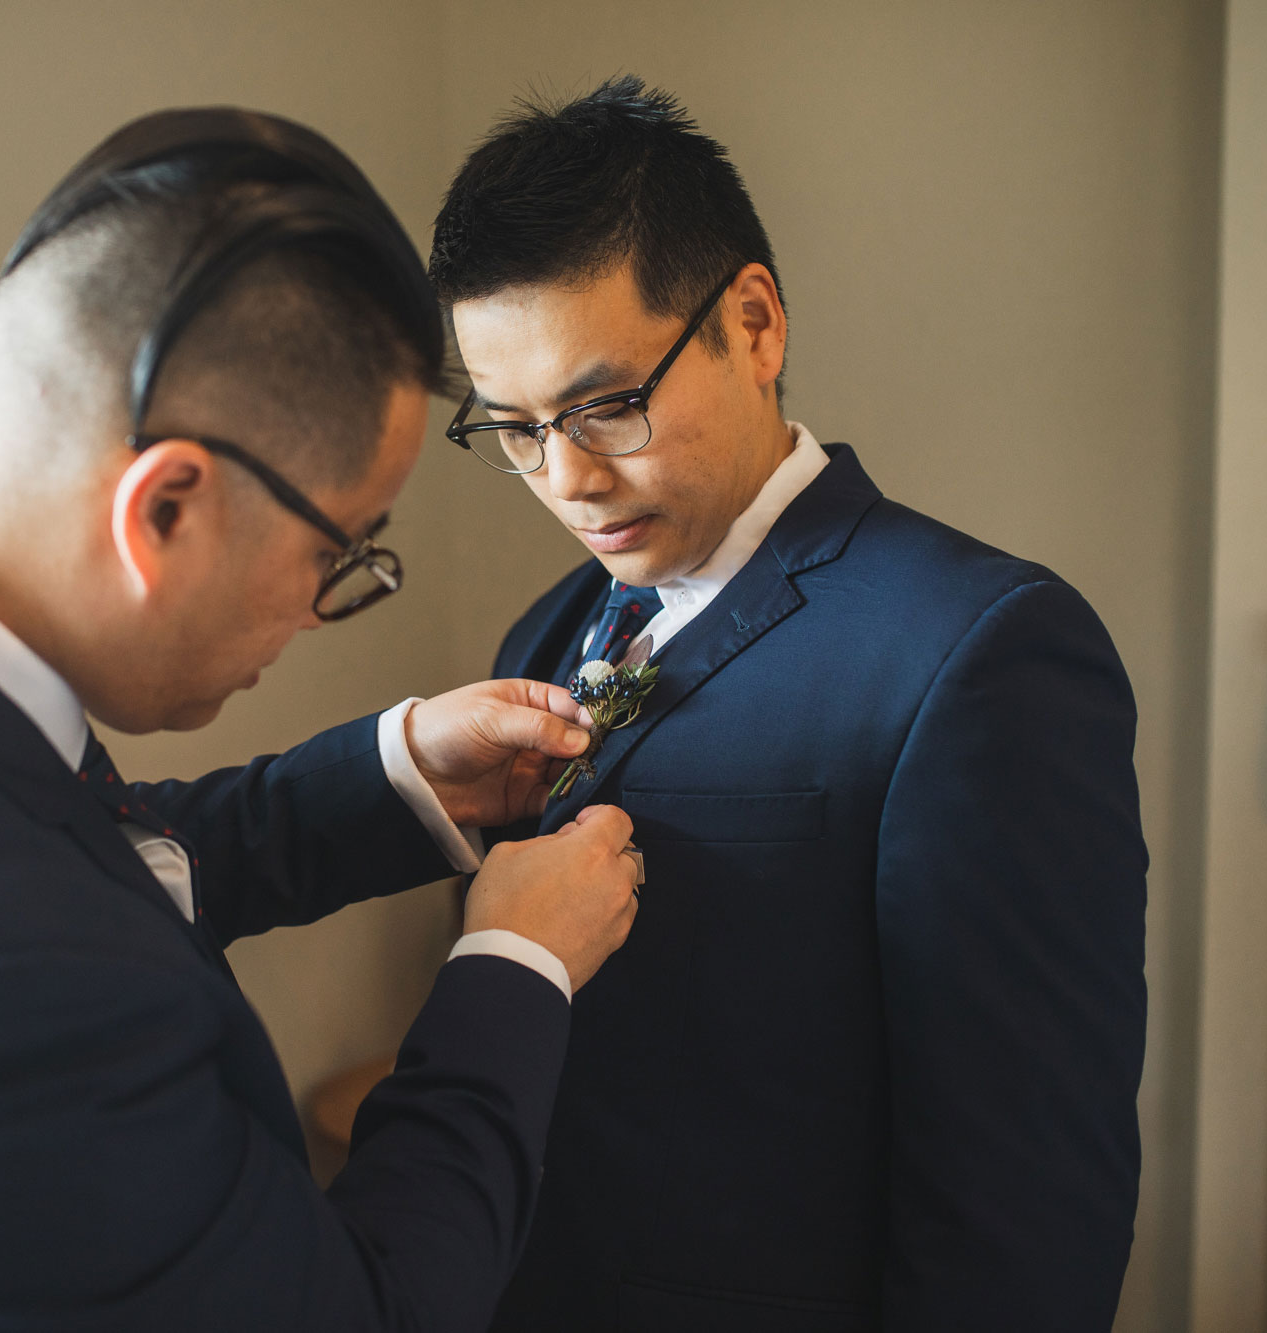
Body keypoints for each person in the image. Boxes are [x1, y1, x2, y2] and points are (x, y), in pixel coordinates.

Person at [0, 108, 644, 1332]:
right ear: (164, 510)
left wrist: (398, 774)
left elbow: (77, 854)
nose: (324, 613)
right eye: (338, 554)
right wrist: (510, 965)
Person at [426, 78, 1148, 1331]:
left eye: (607, 405)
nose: (567, 477)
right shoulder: (545, 630)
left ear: (752, 323)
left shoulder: (982, 651)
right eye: (514, 427)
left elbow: (1024, 1204)